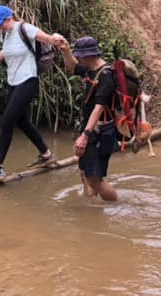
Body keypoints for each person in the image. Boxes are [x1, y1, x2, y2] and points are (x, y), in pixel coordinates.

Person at [0, 5, 60, 182]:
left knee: (7, 120)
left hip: (28, 80)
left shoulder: (26, 28)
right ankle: (46, 154)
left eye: (0, 23)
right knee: (22, 121)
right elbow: (5, 51)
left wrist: (56, 39)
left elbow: (49, 39)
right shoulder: (5, 34)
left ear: (9, 19)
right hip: (13, 82)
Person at [60, 36, 119, 201]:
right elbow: (72, 68)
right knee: (85, 173)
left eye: (79, 55)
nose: (77, 58)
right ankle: (91, 209)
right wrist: (65, 50)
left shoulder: (106, 75)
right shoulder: (90, 68)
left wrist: (84, 136)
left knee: (94, 179)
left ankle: (118, 206)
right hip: (90, 129)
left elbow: (99, 108)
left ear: (89, 55)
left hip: (99, 131)